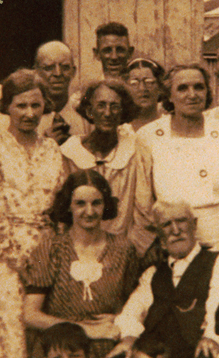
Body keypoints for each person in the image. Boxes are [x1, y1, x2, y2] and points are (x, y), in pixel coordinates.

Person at [0, 68, 65, 358]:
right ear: (6, 106)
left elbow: (60, 208)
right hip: (3, 262)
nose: (30, 113)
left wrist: (49, 258)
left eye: (36, 105)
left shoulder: (51, 149)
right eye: (21, 105)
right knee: (6, 344)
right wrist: (25, 262)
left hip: (47, 258)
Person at [110, 200, 219, 358]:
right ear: (160, 235)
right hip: (155, 357)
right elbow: (130, 312)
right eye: (167, 225)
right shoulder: (153, 274)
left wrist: (211, 337)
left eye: (181, 221)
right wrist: (129, 337)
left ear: (194, 225)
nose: (176, 230)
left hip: (194, 352)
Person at [24, 170, 141, 358]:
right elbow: (30, 314)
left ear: (106, 205)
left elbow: (133, 303)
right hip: (61, 351)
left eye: (96, 203)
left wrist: (119, 318)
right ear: (68, 206)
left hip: (107, 348)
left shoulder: (124, 249)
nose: (89, 211)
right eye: (80, 203)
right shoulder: (50, 247)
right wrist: (85, 329)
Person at [136, 64, 219, 248]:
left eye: (199, 87)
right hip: (170, 244)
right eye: (182, 88)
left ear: (207, 92)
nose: (192, 94)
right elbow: (143, 203)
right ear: (169, 96)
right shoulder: (147, 136)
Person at [62, 79, 155, 255]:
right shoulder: (68, 154)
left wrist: (126, 255)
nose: (107, 113)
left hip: (123, 252)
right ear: (89, 111)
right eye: (101, 106)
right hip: (75, 251)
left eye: (114, 107)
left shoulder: (136, 153)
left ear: (123, 113)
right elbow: (62, 212)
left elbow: (144, 214)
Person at [35, 40, 90, 145]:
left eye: (65, 67)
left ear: (73, 72)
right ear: (37, 72)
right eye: (49, 68)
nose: (58, 73)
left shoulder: (86, 115)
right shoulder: (29, 116)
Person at [125, 58, 166, 132]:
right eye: (134, 83)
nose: (142, 88)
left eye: (149, 82)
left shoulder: (169, 126)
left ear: (160, 88)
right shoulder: (119, 128)